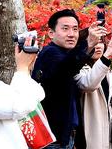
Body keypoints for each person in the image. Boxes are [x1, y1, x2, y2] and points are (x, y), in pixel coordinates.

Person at [33, 9, 106, 149]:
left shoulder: (65, 54)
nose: (71, 34)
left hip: (63, 135)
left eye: (75, 29)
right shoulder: (50, 53)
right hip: (52, 137)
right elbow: (65, 68)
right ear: (51, 33)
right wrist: (89, 43)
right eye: (65, 29)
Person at [74, 38, 112, 149]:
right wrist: (106, 56)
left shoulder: (109, 73)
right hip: (89, 132)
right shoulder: (79, 70)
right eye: (94, 42)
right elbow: (88, 85)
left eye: (100, 42)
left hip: (109, 132)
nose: (98, 46)